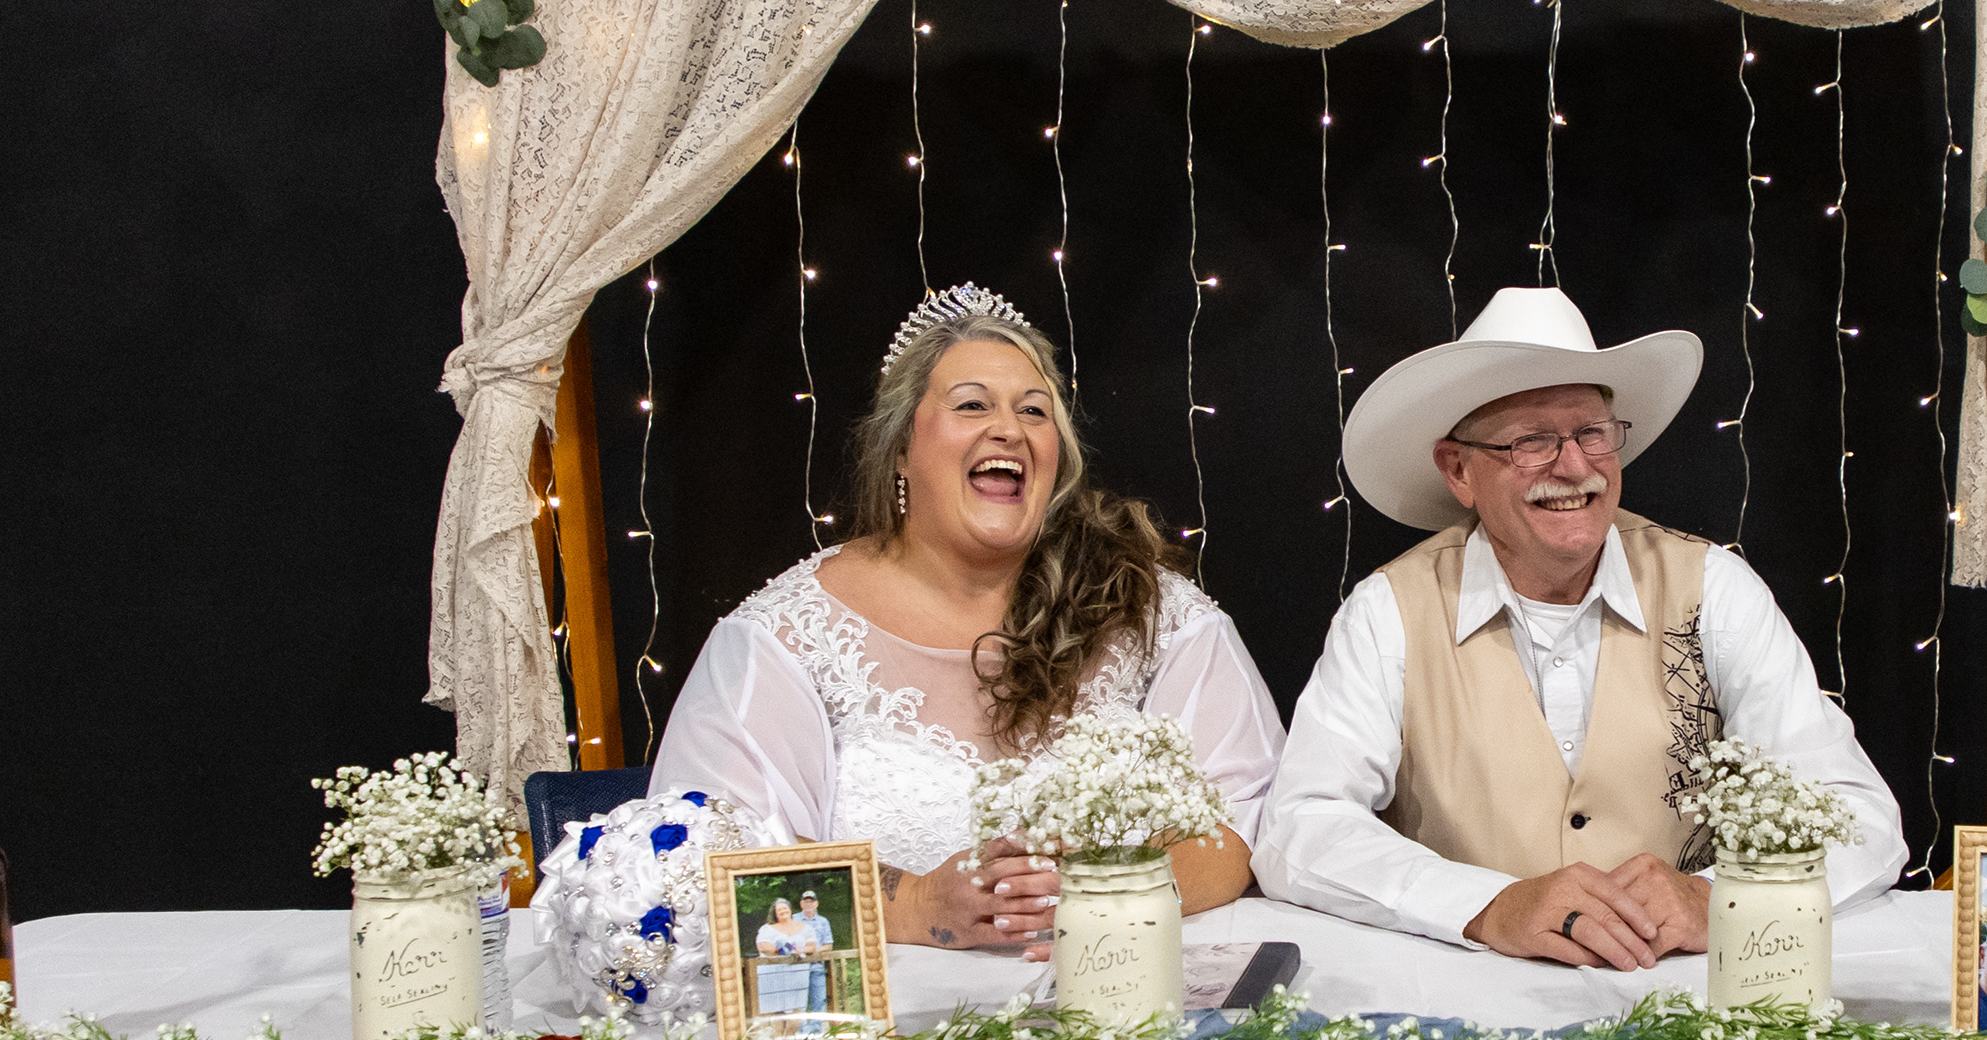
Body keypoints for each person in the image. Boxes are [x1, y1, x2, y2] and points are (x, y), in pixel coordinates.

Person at [1256, 284, 1904, 967]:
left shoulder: (1714, 588)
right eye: (1531, 441)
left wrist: (1725, 898)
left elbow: (1857, 814)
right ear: (1458, 470)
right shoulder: (1387, 610)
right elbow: (1301, 827)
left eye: (1592, 433)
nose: (1573, 467)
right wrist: (1487, 905)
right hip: (1468, 994)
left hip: (1683, 989)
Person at [651, 285, 1284, 960]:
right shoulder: (783, 638)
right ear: (901, 447)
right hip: (905, 1015)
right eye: (972, 405)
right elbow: (699, 864)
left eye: (1034, 410)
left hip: (1125, 991)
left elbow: (1248, 818)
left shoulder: (1151, 611)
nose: (1009, 429)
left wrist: (1114, 892)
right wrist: (914, 904)